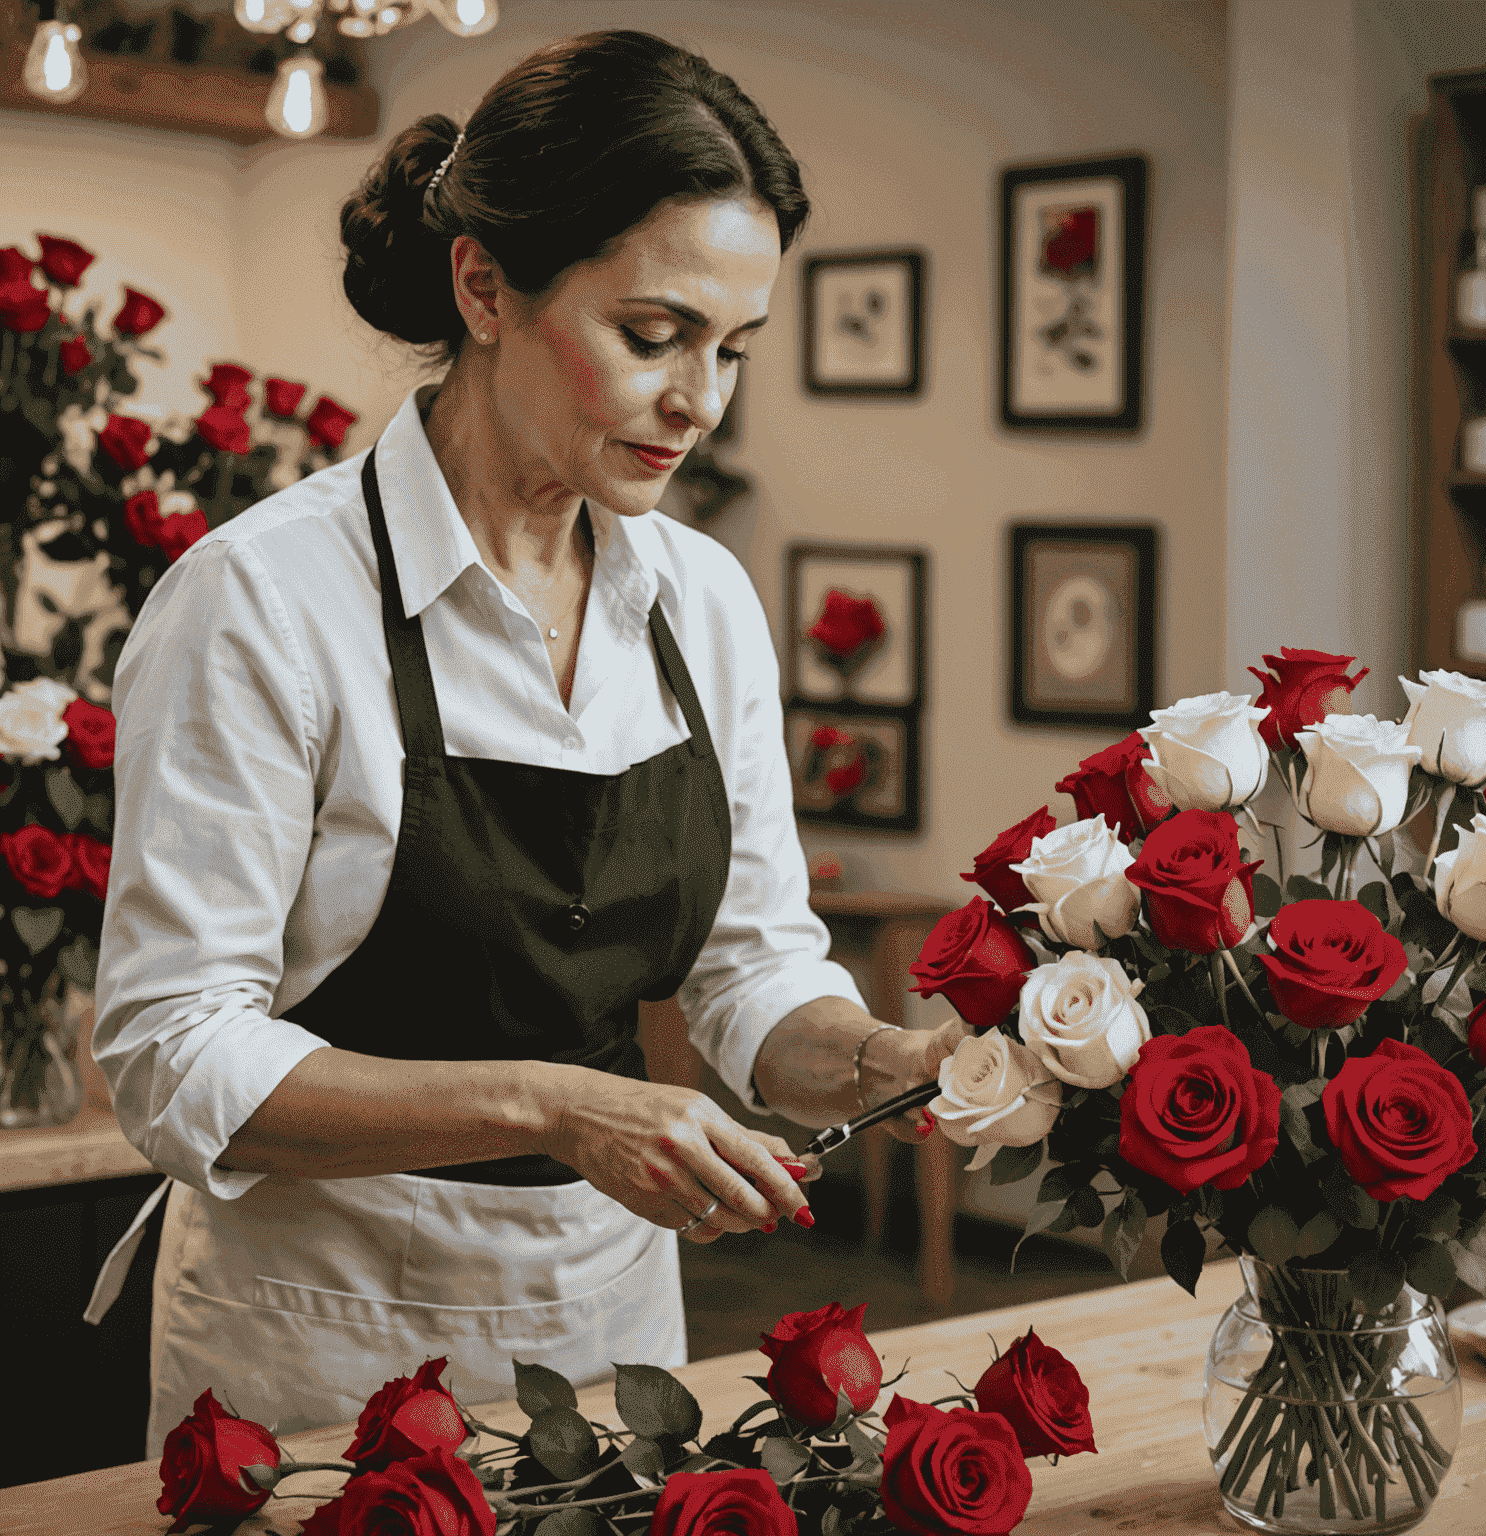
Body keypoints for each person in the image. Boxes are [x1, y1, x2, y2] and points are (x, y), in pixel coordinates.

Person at [87, 29, 969, 1451]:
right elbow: (172, 1057)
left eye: (733, 350)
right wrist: (565, 1109)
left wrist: (880, 1062)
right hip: (320, 1345)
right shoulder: (262, 601)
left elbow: (750, 970)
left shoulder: (704, 603)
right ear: (484, 284)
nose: (701, 401)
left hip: (612, 1325)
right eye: (653, 334)